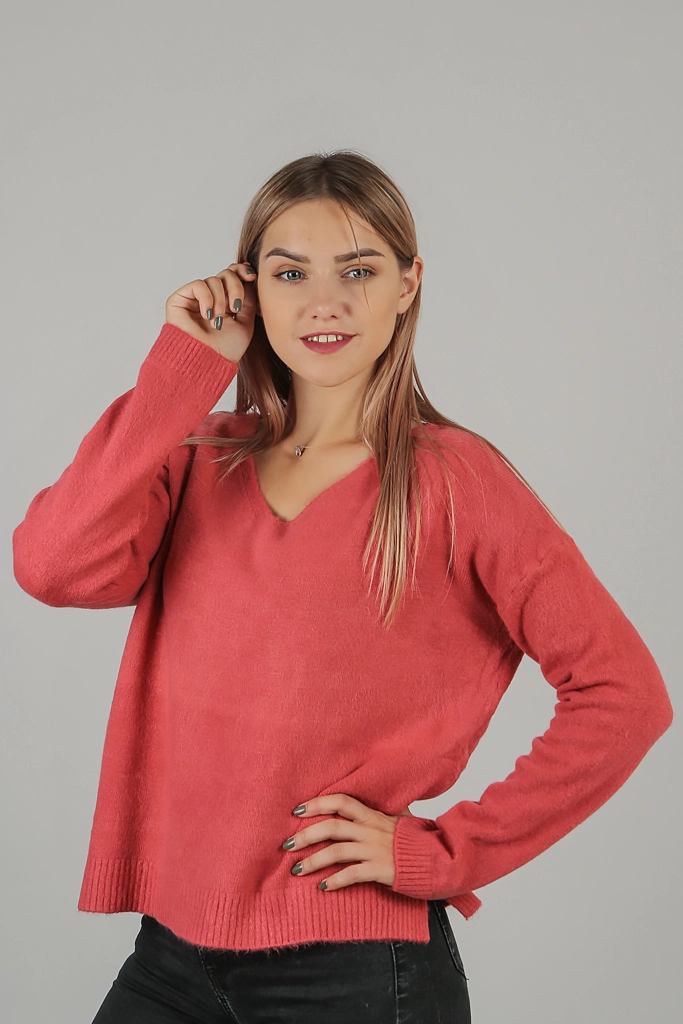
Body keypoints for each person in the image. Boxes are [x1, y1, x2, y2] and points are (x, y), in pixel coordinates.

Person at [12, 150, 673, 1023]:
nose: (323, 302)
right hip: (170, 952)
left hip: (357, 968)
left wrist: (446, 851)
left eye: (358, 270)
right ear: (249, 290)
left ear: (407, 284)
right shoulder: (198, 456)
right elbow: (53, 566)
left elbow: (624, 695)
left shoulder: (455, 480)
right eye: (290, 273)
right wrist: (181, 368)